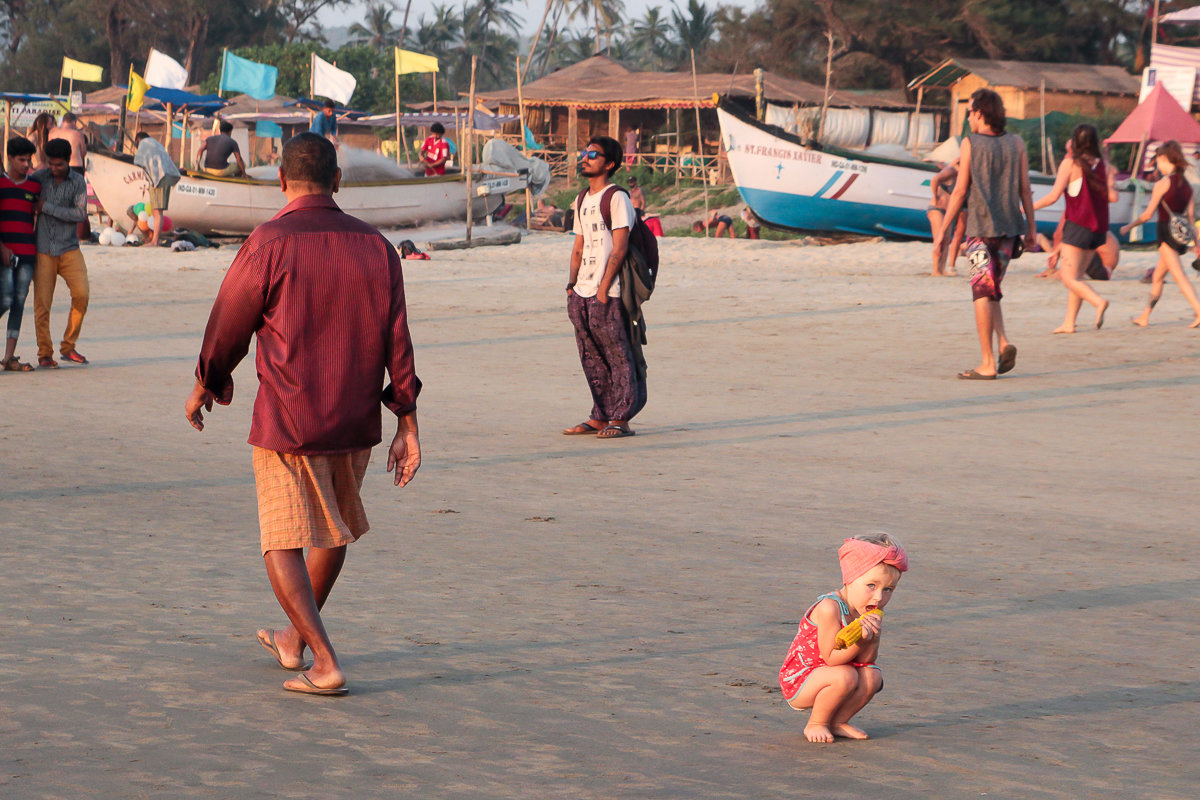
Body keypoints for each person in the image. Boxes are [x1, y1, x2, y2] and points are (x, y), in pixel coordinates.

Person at [185, 133, 421, 696]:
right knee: (330, 529)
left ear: (282, 182)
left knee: (282, 538)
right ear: (338, 180)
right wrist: (407, 424)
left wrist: (207, 383)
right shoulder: (378, 247)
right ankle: (293, 640)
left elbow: (230, 322)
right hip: (355, 416)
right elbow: (399, 341)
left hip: (288, 416)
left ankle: (325, 660)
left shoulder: (270, 241)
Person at [936, 88, 1036, 380]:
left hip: (980, 230)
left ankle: (987, 363)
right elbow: (1025, 190)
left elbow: (960, 190)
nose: (968, 117)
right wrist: (1031, 229)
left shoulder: (971, 143)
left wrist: (943, 230)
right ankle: (1003, 343)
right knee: (992, 292)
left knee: (981, 292)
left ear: (980, 112)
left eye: (969, 111)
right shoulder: (1016, 143)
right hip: (1009, 231)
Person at [779, 533, 908, 743]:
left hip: (838, 673)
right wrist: (860, 640)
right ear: (849, 579)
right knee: (845, 675)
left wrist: (872, 638)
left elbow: (866, 660)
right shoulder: (829, 608)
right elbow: (831, 657)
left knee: (872, 676)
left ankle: (838, 721)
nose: (879, 597)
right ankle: (817, 722)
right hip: (801, 679)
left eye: (888, 590)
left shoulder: (864, 611)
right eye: (871, 586)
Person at [562, 135, 645, 439]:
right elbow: (578, 246)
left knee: (618, 354)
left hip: (607, 292)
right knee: (590, 355)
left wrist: (603, 287)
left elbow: (620, 248)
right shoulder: (582, 198)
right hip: (580, 291)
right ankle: (600, 414)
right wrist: (571, 286)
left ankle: (621, 418)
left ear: (609, 164)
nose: (585, 157)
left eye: (593, 154)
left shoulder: (617, 198)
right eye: (584, 152)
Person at [1033, 124, 1114, 334]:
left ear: (1074, 142)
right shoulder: (1104, 165)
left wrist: (1028, 207)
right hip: (1098, 229)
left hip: (1078, 226)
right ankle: (1069, 323)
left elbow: (1053, 196)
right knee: (1077, 275)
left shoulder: (1070, 164)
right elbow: (1113, 196)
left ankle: (1098, 301)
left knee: (1068, 278)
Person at [1119, 140, 1200, 328]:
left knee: (1180, 276)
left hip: (1166, 234)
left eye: (1157, 161)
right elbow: (1190, 218)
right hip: (1181, 235)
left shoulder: (1163, 183)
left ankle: (1198, 310)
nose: (1157, 165)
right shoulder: (1187, 185)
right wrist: (1196, 243)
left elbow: (1147, 215)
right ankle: (1144, 316)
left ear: (1164, 158)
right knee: (1157, 277)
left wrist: (1128, 227)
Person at [31, 138, 89, 368]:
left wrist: (46, 207)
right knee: (42, 304)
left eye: (59, 165)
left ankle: (68, 346)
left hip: (69, 248)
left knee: (82, 294)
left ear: (68, 161)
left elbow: (80, 214)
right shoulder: (38, 179)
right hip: (43, 249)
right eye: (51, 164)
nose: (54, 169)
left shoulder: (77, 182)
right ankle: (45, 353)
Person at [0, 136, 41, 372]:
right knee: (4, 300)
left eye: (29, 160)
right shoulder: (0, 184)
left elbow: (38, 211)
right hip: (4, 254)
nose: (27, 164)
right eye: (22, 160)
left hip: (27, 254)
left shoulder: (34, 186)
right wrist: (2, 247)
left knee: (18, 303)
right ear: (10, 159)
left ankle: (8, 358)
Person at [132, 131, 181, 247]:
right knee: (156, 210)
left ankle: (155, 241)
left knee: (157, 211)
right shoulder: (155, 143)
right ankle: (155, 240)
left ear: (138, 139)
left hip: (160, 177)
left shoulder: (144, 143)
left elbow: (137, 160)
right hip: (164, 176)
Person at [926, 160, 963, 276]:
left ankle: (942, 269)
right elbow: (935, 180)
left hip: (948, 212)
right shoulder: (951, 171)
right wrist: (935, 196)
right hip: (937, 209)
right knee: (939, 239)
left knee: (946, 240)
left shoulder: (960, 176)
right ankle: (935, 269)